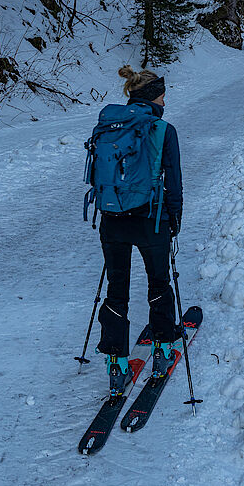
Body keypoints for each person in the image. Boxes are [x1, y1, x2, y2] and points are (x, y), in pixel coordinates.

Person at [95, 65, 183, 396]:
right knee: (159, 284)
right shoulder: (163, 129)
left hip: (112, 219)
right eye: (162, 93)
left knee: (117, 289)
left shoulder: (108, 126)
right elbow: (173, 181)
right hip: (151, 220)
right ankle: (161, 351)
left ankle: (115, 365)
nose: (165, 98)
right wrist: (174, 217)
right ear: (152, 97)